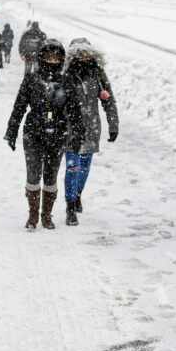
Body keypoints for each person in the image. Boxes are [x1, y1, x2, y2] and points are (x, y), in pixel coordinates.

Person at [6, 39, 83, 231]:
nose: (52, 60)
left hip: (58, 135)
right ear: (42, 57)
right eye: (49, 56)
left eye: (56, 57)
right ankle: (32, 215)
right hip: (33, 133)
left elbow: (74, 111)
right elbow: (19, 107)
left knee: (50, 177)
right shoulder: (31, 79)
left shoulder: (67, 82)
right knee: (33, 175)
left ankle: (46, 215)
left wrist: (78, 134)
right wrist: (12, 131)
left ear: (61, 59)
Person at [61, 38, 119, 226]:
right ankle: (70, 206)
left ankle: (77, 194)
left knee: (84, 169)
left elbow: (109, 101)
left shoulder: (97, 73)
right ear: (72, 54)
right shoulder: (65, 74)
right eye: (79, 53)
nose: (83, 57)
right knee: (72, 168)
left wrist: (113, 124)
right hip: (70, 130)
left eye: (86, 53)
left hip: (92, 128)